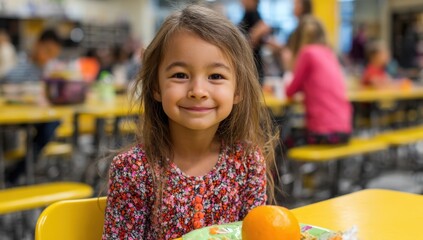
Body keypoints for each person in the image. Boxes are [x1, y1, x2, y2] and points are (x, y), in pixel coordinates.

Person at [102, 5, 278, 239]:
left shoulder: (247, 162)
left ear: (238, 91)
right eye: (180, 75)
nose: (197, 91)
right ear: (155, 86)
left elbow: (256, 234)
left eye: (215, 76)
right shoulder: (133, 170)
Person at [3, 29, 62, 185]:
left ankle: (18, 172)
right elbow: (7, 81)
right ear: (38, 45)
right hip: (13, 115)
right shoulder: (20, 63)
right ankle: (16, 173)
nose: (48, 57)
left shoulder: (47, 70)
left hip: (35, 116)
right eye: (47, 51)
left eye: (53, 55)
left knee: (52, 123)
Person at [285, 15, 352, 145]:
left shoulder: (307, 53)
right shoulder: (329, 53)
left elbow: (290, 91)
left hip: (323, 134)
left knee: (284, 142)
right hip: (345, 131)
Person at [238, 0, 271, 84]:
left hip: (253, 64)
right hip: (251, 63)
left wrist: (250, 40)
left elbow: (264, 27)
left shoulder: (253, 14)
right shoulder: (247, 15)